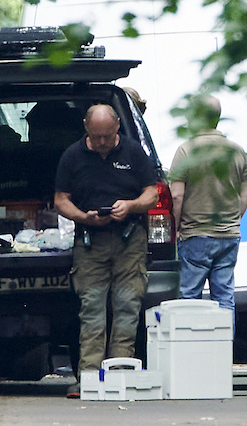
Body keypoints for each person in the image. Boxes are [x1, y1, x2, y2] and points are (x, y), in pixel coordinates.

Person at [54, 104, 159, 396]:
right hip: (90, 242)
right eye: (97, 136)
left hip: (129, 239)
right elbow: (61, 199)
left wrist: (130, 206)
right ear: (86, 127)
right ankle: (88, 377)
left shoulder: (133, 152)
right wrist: (83, 216)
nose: (102, 142)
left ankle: (121, 374)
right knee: (92, 309)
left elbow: (152, 193)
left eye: (108, 136)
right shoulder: (72, 156)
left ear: (117, 128)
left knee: (127, 306)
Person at [169, 96, 247, 312]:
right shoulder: (236, 151)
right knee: (225, 296)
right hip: (229, 236)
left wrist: (176, 227)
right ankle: (224, 345)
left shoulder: (186, 151)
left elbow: (176, 196)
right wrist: (233, 220)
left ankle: (191, 345)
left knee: (189, 296)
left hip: (195, 234)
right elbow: (246, 195)